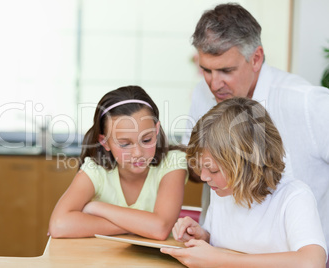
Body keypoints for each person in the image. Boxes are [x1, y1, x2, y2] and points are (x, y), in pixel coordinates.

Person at [181, 3, 329, 256]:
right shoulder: (202, 95)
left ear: (256, 58)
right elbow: (196, 167)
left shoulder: (308, 103)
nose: (214, 84)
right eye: (206, 70)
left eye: (226, 70)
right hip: (223, 248)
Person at [162, 97, 327, 267]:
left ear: (247, 165)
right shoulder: (222, 191)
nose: (203, 177)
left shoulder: (294, 197)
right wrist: (204, 237)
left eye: (213, 170)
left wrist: (219, 260)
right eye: (201, 167)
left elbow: (312, 262)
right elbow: (232, 243)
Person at [48, 85, 188, 240]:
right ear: (105, 142)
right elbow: (59, 225)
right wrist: (140, 226)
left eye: (147, 140)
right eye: (125, 144)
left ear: (156, 130)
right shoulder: (95, 170)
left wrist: (97, 208)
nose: (138, 153)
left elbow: (160, 229)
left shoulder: (173, 163)